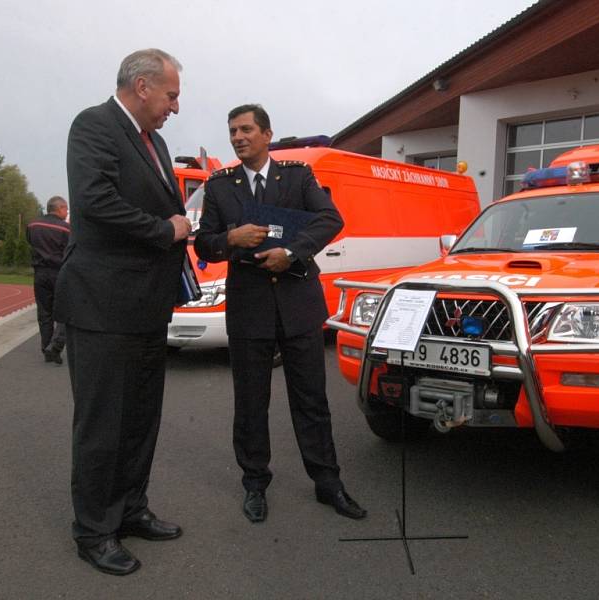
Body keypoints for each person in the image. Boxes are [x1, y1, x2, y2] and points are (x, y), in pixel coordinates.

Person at [195, 104, 366, 524]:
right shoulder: (219, 186)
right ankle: (255, 484)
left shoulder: (296, 176)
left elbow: (331, 219)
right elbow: (203, 244)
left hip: (298, 305)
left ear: (267, 134)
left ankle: (328, 484)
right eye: (233, 130)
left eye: (247, 129)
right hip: (249, 309)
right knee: (251, 403)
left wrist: (291, 252)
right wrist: (229, 238)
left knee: (311, 401)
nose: (238, 137)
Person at [55, 48, 191, 576]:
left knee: (140, 419)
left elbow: (159, 207)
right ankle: (94, 531)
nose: (174, 107)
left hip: (146, 306)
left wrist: (183, 221)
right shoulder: (93, 125)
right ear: (141, 86)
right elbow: (94, 201)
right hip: (102, 304)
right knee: (103, 425)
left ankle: (130, 509)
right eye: (171, 95)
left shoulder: (154, 142)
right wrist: (166, 229)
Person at [26, 195, 70, 364]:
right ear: (59, 208)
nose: (66, 213)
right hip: (59, 273)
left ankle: (47, 349)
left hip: (40, 273)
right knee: (66, 311)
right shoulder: (67, 229)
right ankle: (56, 346)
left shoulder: (33, 225)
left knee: (44, 313)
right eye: (65, 209)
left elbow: (30, 242)